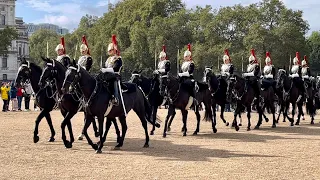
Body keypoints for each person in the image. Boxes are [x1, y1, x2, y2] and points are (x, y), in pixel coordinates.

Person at [101, 34, 126, 106]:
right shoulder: (108, 59)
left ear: (114, 50)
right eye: (109, 50)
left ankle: (115, 97)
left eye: (110, 50)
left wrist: (106, 70)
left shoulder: (118, 58)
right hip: (107, 75)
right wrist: (102, 69)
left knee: (112, 80)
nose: (109, 52)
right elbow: (105, 66)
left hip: (115, 75)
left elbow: (115, 68)